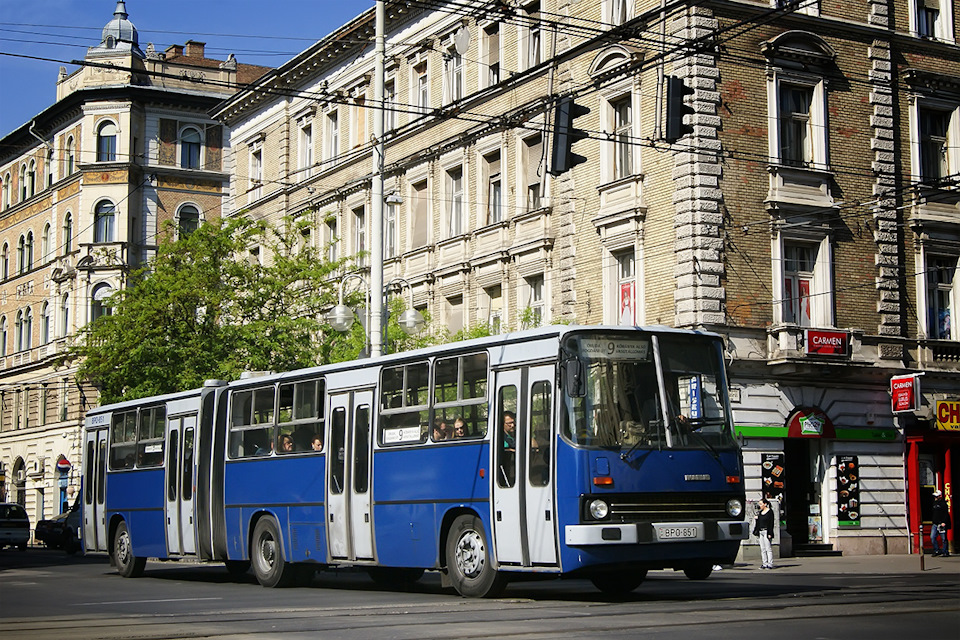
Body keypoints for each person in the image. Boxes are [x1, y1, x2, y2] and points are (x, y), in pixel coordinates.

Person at [753, 498, 776, 569]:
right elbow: (758, 523)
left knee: (768, 548)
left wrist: (770, 533)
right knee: (762, 548)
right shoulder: (760, 512)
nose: (760, 506)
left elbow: (771, 523)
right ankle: (764, 563)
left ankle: (770, 563)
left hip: (766, 531)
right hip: (761, 531)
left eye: (761, 504)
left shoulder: (770, 512)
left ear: (765, 504)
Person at [931, 489, 951, 557]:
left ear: (940, 496)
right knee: (932, 537)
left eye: (936, 496)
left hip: (941, 523)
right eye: (935, 496)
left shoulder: (943, 504)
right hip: (935, 524)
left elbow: (946, 514)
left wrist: (944, 522)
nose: (935, 498)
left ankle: (945, 551)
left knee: (943, 539)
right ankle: (937, 550)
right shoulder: (934, 503)